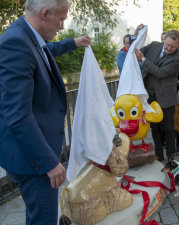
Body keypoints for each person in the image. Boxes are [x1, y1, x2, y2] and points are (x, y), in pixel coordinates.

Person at [0, 0, 91, 224]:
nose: (62, 26)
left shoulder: (25, 36)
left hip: (31, 154)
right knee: (43, 220)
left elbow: (46, 51)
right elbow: (18, 115)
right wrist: (49, 162)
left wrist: (73, 43)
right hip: (33, 161)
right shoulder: (16, 43)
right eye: (60, 19)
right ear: (44, 14)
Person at [135, 29, 179, 161]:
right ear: (164, 39)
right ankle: (159, 154)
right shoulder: (154, 46)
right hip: (150, 95)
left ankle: (170, 157)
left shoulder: (178, 59)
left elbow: (160, 73)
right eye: (167, 44)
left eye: (172, 46)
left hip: (166, 97)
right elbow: (135, 50)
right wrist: (136, 35)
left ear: (177, 45)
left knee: (168, 129)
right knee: (154, 127)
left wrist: (143, 59)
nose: (168, 48)